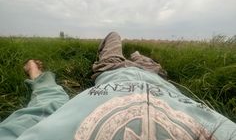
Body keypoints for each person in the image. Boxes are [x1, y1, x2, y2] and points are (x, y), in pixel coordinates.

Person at [0, 32, 235, 140]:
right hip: (154, 77)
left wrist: (36, 72)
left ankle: (132, 55)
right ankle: (138, 55)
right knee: (146, 60)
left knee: (114, 36)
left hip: (111, 71)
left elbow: (45, 105)